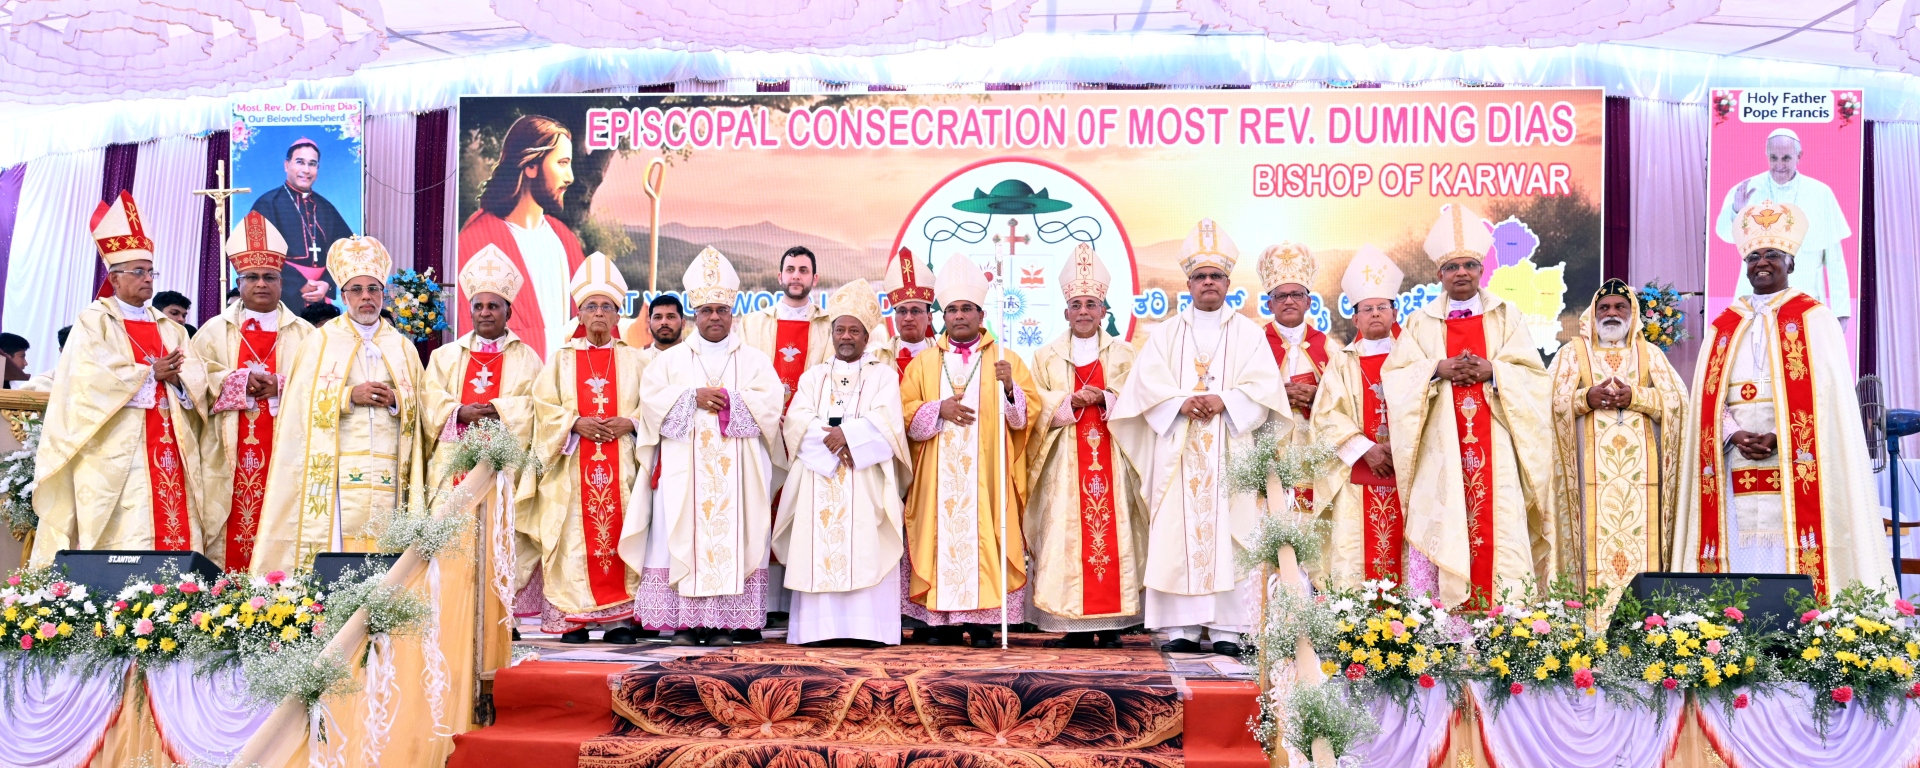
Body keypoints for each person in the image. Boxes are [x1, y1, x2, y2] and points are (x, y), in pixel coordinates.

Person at [1672, 201, 1892, 597]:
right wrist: (1734, 434)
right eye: (1754, 255)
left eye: (1772, 254)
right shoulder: (1725, 324)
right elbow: (1708, 398)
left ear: (1791, 262)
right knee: (1736, 553)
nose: (1762, 262)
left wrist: (1779, 434)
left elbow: (1828, 398)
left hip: (1795, 460)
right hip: (1735, 460)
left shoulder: (1815, 317)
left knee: (1793, 549)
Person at [1111, 220, 1286, 656]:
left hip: (1230, 449)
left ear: (1229, 283)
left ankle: (1229, 629)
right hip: (1179, 453)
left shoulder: (1249, 333)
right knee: (1177, 534)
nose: (1209, 282)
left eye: (1216, 276)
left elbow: (1265, 388)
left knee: (1233, 532)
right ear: (1188, 283)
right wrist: (1181, 403)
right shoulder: (1165, 333)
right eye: (1201, 276)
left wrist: (1224, 400)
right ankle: (1183, 628)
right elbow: (1144, 387)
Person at [1381, 204, 1555, 609]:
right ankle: (1448, 625)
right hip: (1443, 449)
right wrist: (1436, 368)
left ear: (1482, 271)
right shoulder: (1420, 323)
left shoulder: (1506, 316)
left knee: (1500, 525)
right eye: (1453, 267)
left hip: (1496, 448)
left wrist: (1493, 371)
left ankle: (1507, 621)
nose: (1461, 273)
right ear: (1439, 275)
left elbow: (1533, 377)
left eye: (1470, 265)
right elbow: (1396, 378)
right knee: (1447, 520)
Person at [30, 192, 209, 564]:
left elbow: (194, 373)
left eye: (150, 271)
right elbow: (87, 380)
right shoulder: (94, 320)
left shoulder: (170, 327)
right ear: (114, 278)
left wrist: (176, 380)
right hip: (117, 449)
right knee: (130, 527)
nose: (148, 279)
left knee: (174, 524)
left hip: (169, 444)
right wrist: (149, 374)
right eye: (138, 272)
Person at [631, 247, 784, 646]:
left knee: (735, 537)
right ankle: (685, 623)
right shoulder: (669, 361)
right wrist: (690, 398)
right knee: (677, 537)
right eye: (706, 310)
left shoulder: (753, 359)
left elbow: (770, 404)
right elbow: (650, 403)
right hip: (683, 471)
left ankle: (726, 623)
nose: (714, 317)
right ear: (693, 315)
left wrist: (732, 402)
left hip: (738, 473)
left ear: (731, 313)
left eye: (721, 310)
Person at [252, 236, 427, 571]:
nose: (366, 297)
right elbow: (298, 403)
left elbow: (423, 406)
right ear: (343, 295)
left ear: (383, 294)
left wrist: (397, 399)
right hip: (337, 471)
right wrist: (349, 395)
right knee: (339, 551)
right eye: (357, 289)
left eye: (373, 289)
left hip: (390, 470)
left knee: (387, 548)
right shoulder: (320, 340)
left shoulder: (402, 347)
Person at [899, 256, 1042, 648]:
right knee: (937, 537)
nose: (959, 315)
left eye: (967, 309)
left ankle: (983, 624)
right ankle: (942, 623)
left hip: (987, 478)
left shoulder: (1006, 360)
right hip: (937, 480)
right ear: (942, 316)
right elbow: (906, 415)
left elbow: (1022, 422)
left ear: (981, 314)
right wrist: (936, 409)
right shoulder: (924, 364)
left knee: (989, 535)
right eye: (952, 309)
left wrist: (1010, 388)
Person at [772, 279, 911, 646]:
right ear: (831, 333)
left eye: (854, 330)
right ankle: (818, 632)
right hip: (820, 478)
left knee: (866, 547)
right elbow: (797, 421)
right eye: (840, 329)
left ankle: (870, 631)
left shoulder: (882, 375)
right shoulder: (813, 376)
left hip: (863, 480)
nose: (846, 336)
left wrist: (849, 437)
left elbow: (889, 422)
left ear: (867, 336)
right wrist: (834, 442)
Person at [420, 245, 546, 647]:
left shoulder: (528, 359)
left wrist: (495, 409)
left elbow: (535, 406)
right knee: (453, 536)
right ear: (470, 310)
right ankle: (449, 613)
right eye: (479, 306)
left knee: (501, 539)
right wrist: (459, 412)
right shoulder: (444, 356)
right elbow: (429, 400)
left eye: (495, 305)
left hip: (504, 470)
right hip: (454, 465)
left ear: (509, 311)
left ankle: (500, 617)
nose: (486, 312)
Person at [522, 253, 651, 644]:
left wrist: (630, 422)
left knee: (620, 531)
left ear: (618, 315)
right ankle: (574, 619)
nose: (598, 313)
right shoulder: (560, 361)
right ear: (580, 313)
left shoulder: (636, 360)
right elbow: (541, 408)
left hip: (622, 463)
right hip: (572, 463)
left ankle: (618, 621)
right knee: (572, 536)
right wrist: (573, 422)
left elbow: (654, 407)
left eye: (606, 307)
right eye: (591, 306)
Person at [1024, 243, 1144, 649]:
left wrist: (1107, 397)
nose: (1084, 311)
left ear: (1104, 311)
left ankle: (1112, 625)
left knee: (1115, 535)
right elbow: (1033, 400)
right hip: (1064, 462)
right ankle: (1069, 622)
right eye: (1076, 304)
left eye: (1092, 303)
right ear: (1065, 312)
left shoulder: (1125, 353)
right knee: (1064, 536)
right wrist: (1065, 402)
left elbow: (1140, 399)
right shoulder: (1045, 355)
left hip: (1113, 455)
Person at [1547, 279, 1689, 616]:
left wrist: (1636, 396)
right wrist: (1585, 398)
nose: (1612, 313)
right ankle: (1586, 625)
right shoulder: (1571, 353)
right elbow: (1547, 403)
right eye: (1604, 307)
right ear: (1593, 314)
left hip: (1645, 485)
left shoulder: (1650, 354)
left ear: (1633, 314)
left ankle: (1648, 626)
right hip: (1585, 482)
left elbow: (1678, 403)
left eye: (1619, 307)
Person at [191, 212, 317, 571]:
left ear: (282, 282)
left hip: (285, 452)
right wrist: (237, 381)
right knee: (227, 531)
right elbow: (194, 382)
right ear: (239, 281)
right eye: (252, 277)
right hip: (225, 454)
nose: (261, 284)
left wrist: (281, 385)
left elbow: (322, 387)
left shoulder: (305, 334)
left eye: (269, 277)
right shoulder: (214, 331)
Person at [1314, 245, 1431, 591]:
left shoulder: (1417, 358)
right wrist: (1367, 449)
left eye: (1383, 307)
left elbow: (1432, 402)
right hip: (1358, 477)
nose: (1376, 313)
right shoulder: (1343, 362)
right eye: (1368, 309)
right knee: (1356, 554)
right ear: (1356, 318)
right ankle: (1355, 628)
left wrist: (1402, 446)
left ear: (1395, 312)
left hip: (1409, 472)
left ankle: (1410, 626)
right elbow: (1326, 415)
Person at [457, 115, 587, 358]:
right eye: (562, 163)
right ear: (531, 166)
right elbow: (474, 334)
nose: (570, 177)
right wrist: (561, 339)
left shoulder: (564, 238)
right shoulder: (478, 240)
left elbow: (587, 318)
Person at [1714, 128, 1854, 320]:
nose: (1779, 165)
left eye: (1786, 158)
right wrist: (1737, 211)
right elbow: (1725, 236)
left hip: (1806, 293)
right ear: (1766, 155)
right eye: (1773, 158)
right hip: (1757, 293)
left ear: (1799, 156)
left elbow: (1835, 260)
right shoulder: (1746, 189)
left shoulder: (1821, 193)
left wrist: (1841, 312)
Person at [1258, 242, 1330, 507]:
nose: (1289, 300)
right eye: (1281, 295)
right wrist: (1276, 395)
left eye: (1297, 294)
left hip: (1312, 448)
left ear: (1309, 302)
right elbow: (1238, 391)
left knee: (1309, 526)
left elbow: (1345, 400)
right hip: (1267, 442)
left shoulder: (1328, 346)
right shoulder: (1253, 343)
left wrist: (1316, 395)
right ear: (1269, 304)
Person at [249, 137, 355, 311]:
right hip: (282, 295)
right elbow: (258, 252)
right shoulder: (267, 203)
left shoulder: (326, 207)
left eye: (312, 164)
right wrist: (298, 283)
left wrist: (327, 284)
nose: (306, 170)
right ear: (287, 165)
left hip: (320, 298)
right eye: (300, 162)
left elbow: (348, 249)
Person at [883, 248, 938, 378]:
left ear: (929, 318)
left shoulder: (944, 357)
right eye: (902, 311)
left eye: (915, 311)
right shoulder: (877, 359)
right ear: (895, 317)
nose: (908, 318)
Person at [621, 293, 686, 353]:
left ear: (683, 323)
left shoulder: (694, 359)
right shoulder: (639, 361)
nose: (664, 322)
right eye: (658, 317)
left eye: (671, 317)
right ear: (649, 324)